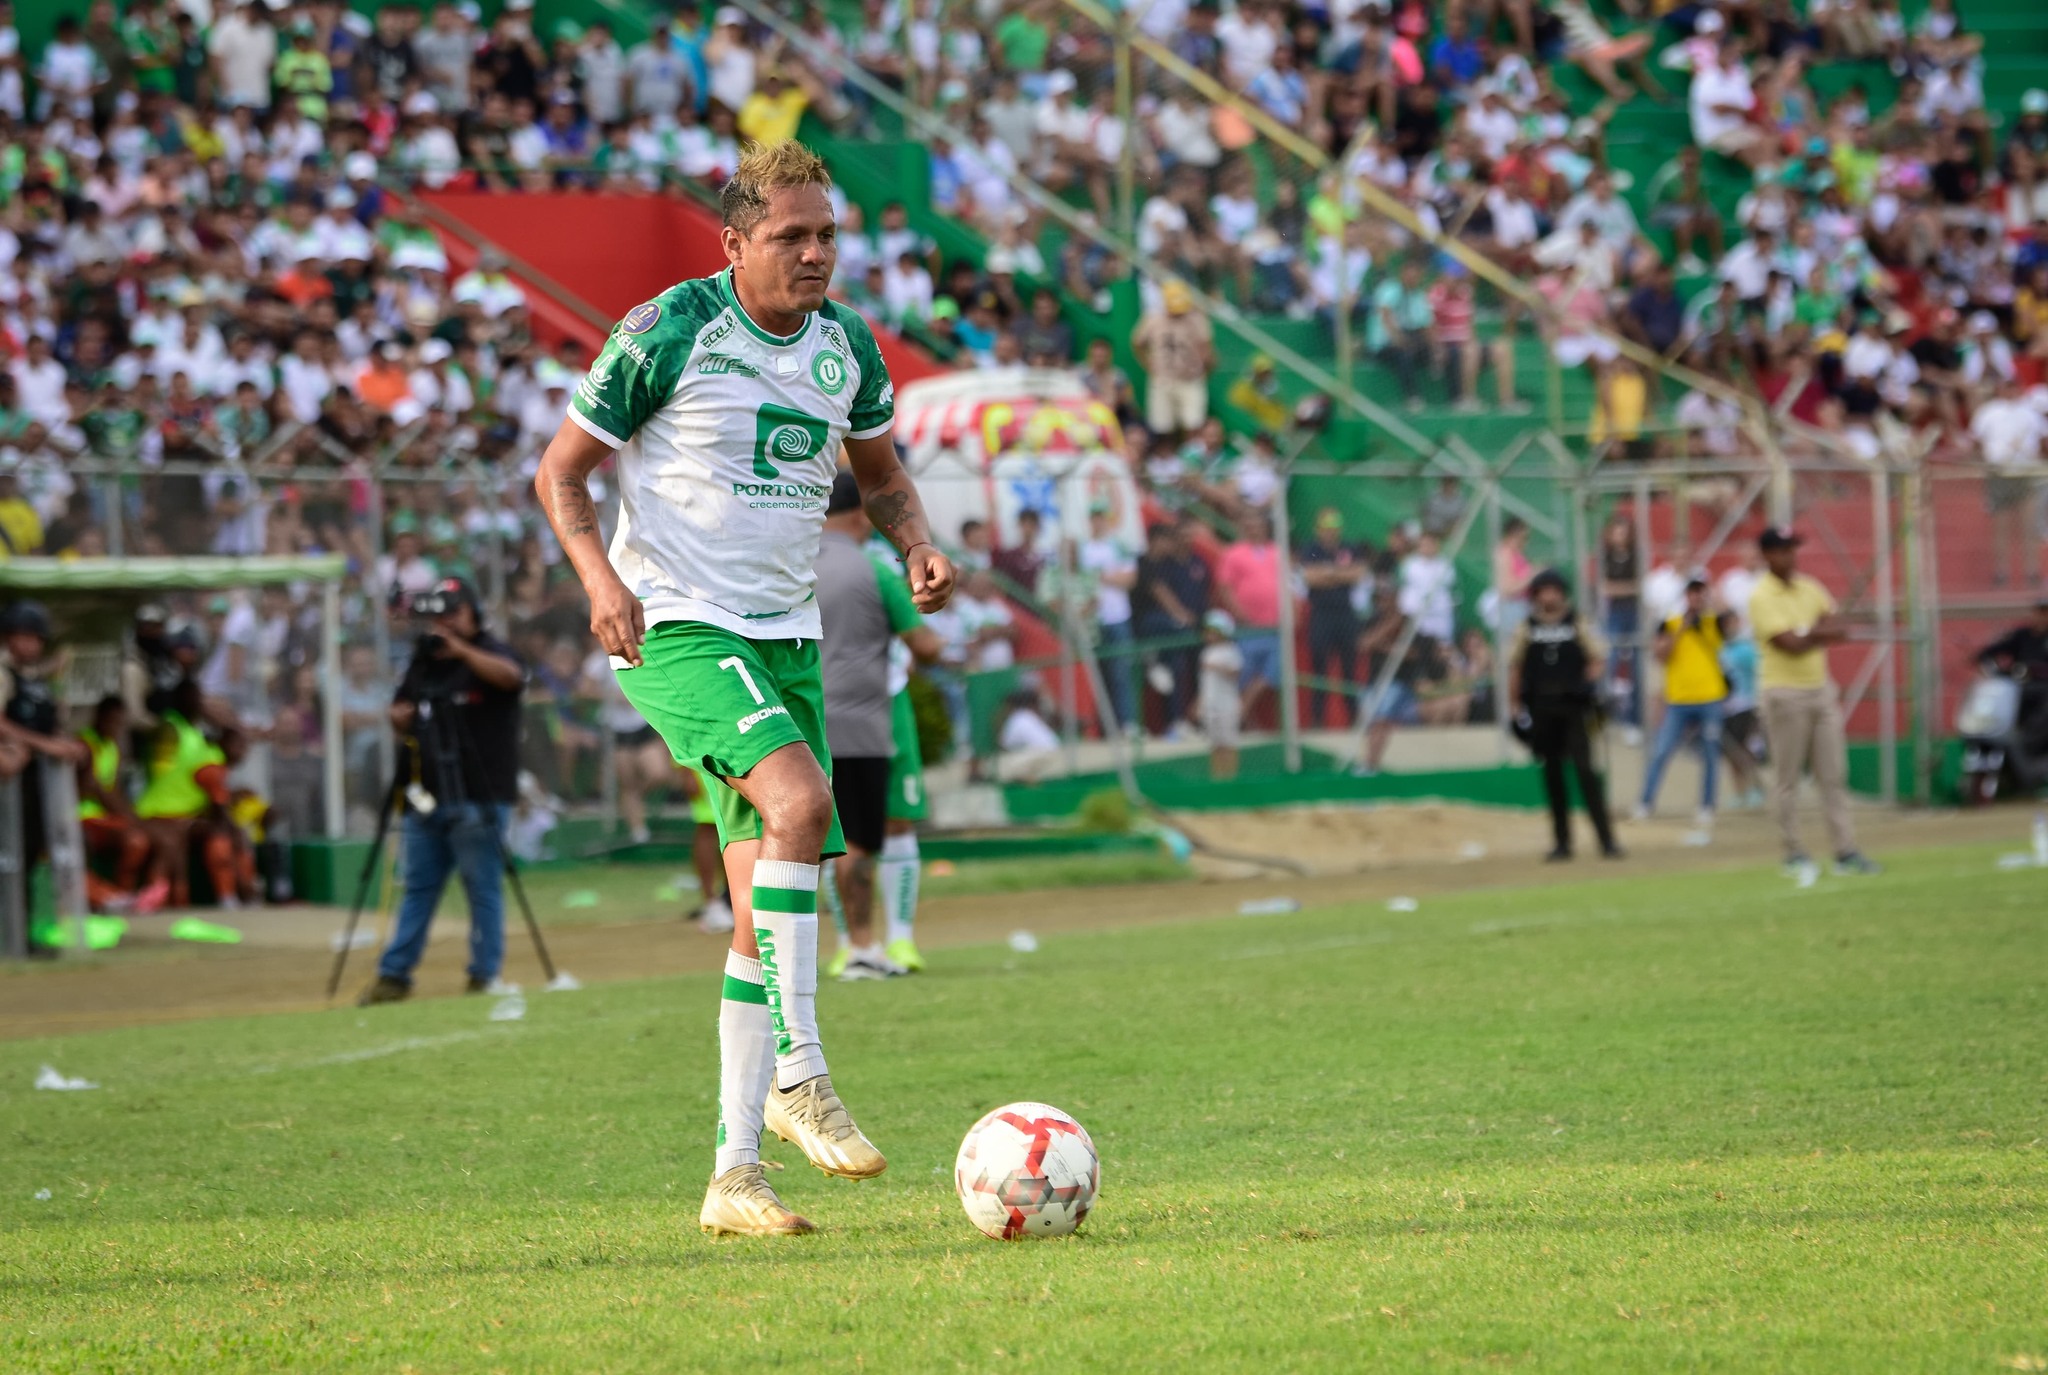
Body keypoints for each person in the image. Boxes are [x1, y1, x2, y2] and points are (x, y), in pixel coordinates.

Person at [534, 142, 955, 1238]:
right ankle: (802, 1073)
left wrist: (915, 542)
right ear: (735, 243)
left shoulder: (846, 345)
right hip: (675, 623)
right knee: (805, 810)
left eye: (825, 236)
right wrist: (598, 582)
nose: (814, 254)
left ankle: (734, 1175)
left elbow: (881, 476)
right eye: (790, 237)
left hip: (786, 638)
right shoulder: (668, 330)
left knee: (762, 912)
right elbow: (560, 471)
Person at [358, 577, 528, 1004]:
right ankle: (393, 976)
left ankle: (484, 974)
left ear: (473, 612)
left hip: (480, 794)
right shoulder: (425, 659)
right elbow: (401, 708)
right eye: (438, 615)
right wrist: (399, 716)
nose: (445, 622)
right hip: (426, 794)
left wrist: (463, 651)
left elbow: (511, 678)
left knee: (482, 887)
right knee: (418, 888)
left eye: (453, 612)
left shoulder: (490, 650)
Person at [814, 472, 942, 983]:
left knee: (822, 840)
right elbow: (925, 646)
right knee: (870, 839)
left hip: (807, 717)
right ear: (860, 514)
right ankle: (875, 945)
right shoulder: (873, 569)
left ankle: (847, 947)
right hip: (870, 719)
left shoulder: (789, 564)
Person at [1746, 527, 1878, 878]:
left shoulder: (1810, 587)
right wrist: (1815, 632)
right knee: (1787, 778)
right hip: (1783, 692)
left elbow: (1837, 627)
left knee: (1833, 775)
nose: (1791, 556)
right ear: (1767, 555)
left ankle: (1845, 850)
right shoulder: (1761, 595)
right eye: (1783, 549)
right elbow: (1789, 644)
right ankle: (1792, 851)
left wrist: (1808, 632)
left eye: (1792, 548)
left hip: (1820, 688)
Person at [1506, 570, 1622, 862]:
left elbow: (1597, 657)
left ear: (1562, 593)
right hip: (1541, 709)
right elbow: (1516, 667)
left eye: (1553, 590)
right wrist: (1515, 705)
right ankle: (1562, 842)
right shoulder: (1527, 627)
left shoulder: (1577, 622)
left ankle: (1606, 840)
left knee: (1585, 773)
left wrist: (1585, 684)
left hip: (1574, 709)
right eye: (1543, 591)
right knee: (1553, 775)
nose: (1548, 596)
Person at [0, 602, 88, 949]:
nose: (32, 646)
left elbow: (50, 726)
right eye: (25, 637)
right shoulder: (3, 674)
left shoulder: (35, 681)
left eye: (37, 639)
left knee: (33, 853)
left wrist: (65, 745)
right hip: (9, 785)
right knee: (8, 854)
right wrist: (45, 746)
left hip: (38, 785)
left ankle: (25, 933)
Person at [1634, 576, 1731, 829]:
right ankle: (1645, 802)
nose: (1697, 598)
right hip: (1678, 698)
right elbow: (1661, 655)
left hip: (1710, 696)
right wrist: (1683, 627)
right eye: (1692, 593)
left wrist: (1714, 605)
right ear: (1685, 596)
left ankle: (1707, 805)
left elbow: (1733, 625)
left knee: (1710, 754)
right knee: (1662, 751)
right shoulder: (1670, 623)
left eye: (1701, 593)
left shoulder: (1713, 622)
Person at [76, 695, 166, 915]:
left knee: (147, 839)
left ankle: (126, 893)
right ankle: (118, 897)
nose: (116, 727)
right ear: (99, 718)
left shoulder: (112, 747)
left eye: (120, 722)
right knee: (136, 840)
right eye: (112, 721)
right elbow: (93, 788)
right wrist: (129, 819)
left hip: (104, 817)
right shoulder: (85, 745)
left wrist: (130, 816)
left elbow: (113, 788)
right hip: (83, 817)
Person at [1298, 508, 1366, 728]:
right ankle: (1318, 720)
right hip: (1321, 614)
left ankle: (1355, 719)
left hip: (1345, 614)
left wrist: (1328, 573)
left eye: (1333, 529)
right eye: (1326, 529)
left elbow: (1357, 575)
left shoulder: (1349, 548)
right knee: (1320, 669)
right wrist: (1339, 575)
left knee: (1349, 668)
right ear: (1318, 530)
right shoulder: (1311, 549)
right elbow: (1310, 578)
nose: (1330, 533)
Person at [1198, 609, 1243, 781]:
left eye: (1213, 631)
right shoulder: (1206, 653)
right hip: (1210, 704)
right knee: (1215, 743)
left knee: (1229, 742)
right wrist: (1199, 703)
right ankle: (1217, 777)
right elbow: (1205, 683)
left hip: (1227, 704)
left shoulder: (1231, 651)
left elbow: (1235, 673)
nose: (1209, 635)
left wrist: (1217, 668)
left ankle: (1231, 777)